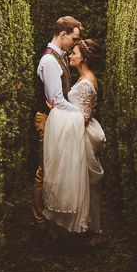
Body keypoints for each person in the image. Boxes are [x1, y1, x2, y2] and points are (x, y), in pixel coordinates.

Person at [42, 38, 105, 243]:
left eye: (74, 53)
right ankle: (79, 227)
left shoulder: (87, 82)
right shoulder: (83, 77)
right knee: (78, 183)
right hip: (76, 135)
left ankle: (91, 229)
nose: (71, 55)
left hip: (82, 138)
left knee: (85, 183)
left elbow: (83, 118)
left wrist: (58, 110)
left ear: (83, 58)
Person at [32, 16, 83, 242]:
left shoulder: (58, 57)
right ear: (62, 34)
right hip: (47, 120)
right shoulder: (50, 61)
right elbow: (56, 99)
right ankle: (40, 225)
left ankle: (48, 221)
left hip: (57, 119)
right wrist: (81, 113)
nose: (74, 43)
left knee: (51, 170)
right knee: (44, 171)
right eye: (73, 38)